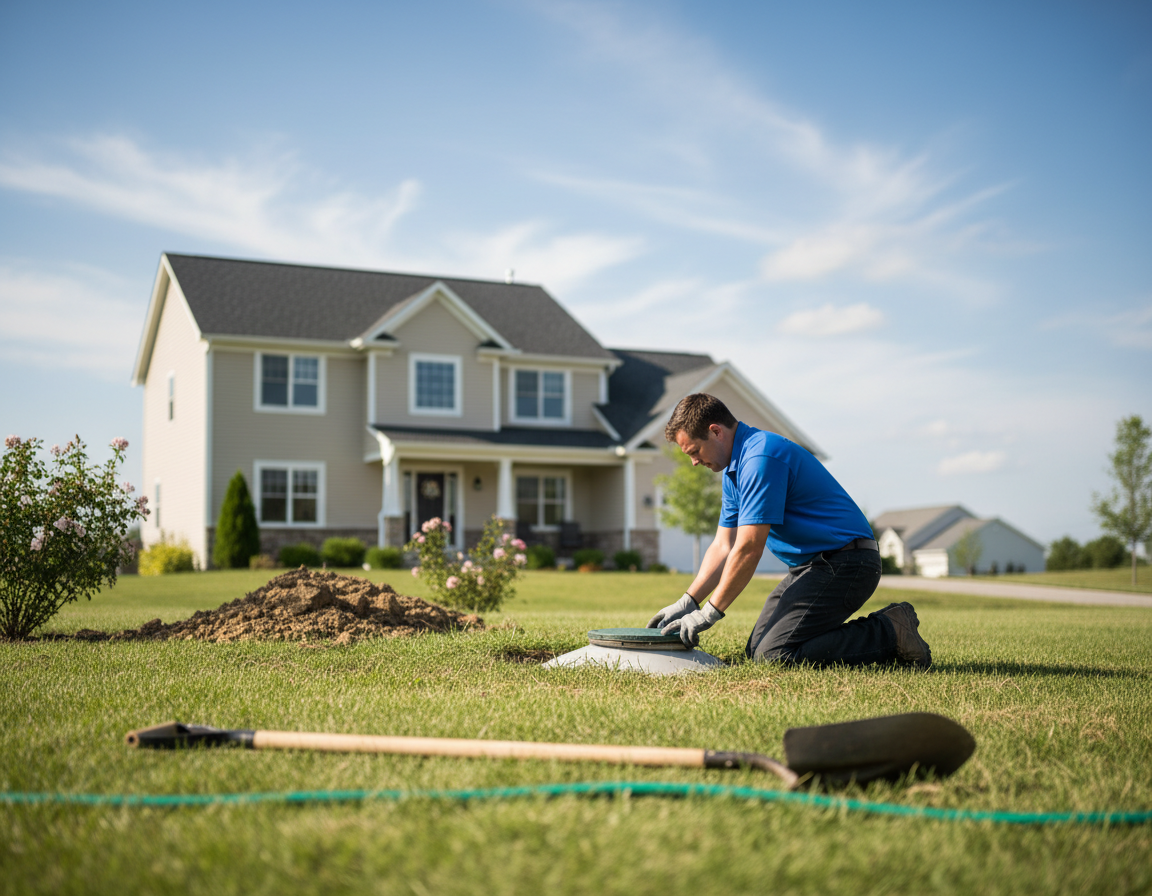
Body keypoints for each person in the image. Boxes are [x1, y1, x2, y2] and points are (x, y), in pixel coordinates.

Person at [647, 393, 931, 669]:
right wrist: (688, 601)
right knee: (757, 650)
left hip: (848, 563)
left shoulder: (760, 458)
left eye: (694, 451)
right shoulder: (734, 471)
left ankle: (891, 629)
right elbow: (724, 545)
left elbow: (748, 549)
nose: (694, 462)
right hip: (812, 567)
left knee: (774, 655)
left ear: (716, 431)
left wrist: (708, 613)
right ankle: (878, 631)